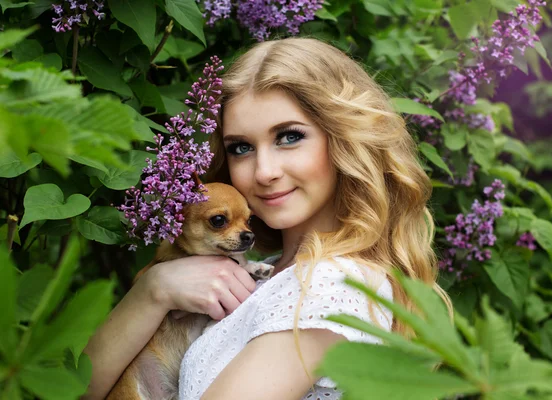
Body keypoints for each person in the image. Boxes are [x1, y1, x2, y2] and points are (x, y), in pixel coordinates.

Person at [83, 37, 451, 400]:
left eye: (289, 137)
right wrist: (155, 289)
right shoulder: (271, 273)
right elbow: (78, 390)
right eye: (241, 148)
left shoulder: (327, 285)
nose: (264, 171)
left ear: (344, 140)